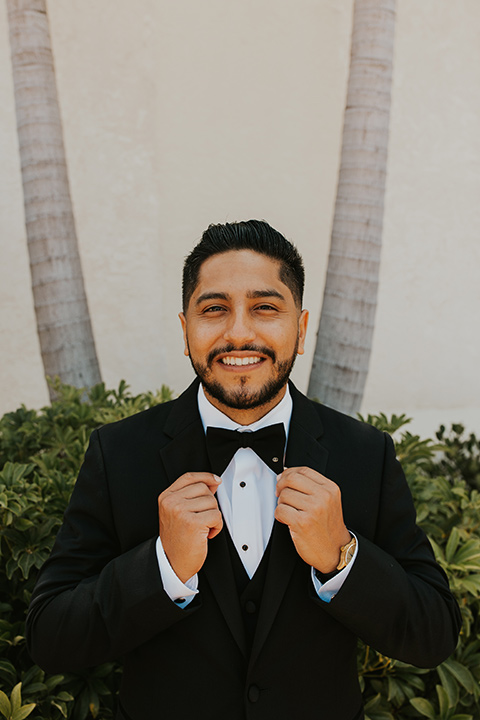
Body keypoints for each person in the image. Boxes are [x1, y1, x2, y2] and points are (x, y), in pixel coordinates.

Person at [26, 220, 461, 720]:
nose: (238, 332)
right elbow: (50, 637)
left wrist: (342, 558)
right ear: (185, 330)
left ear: (299, 330)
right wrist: (162, 566)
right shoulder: (118, 452)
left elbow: (433, 635)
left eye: (264, 308)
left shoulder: (366, 454)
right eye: (213, 309)